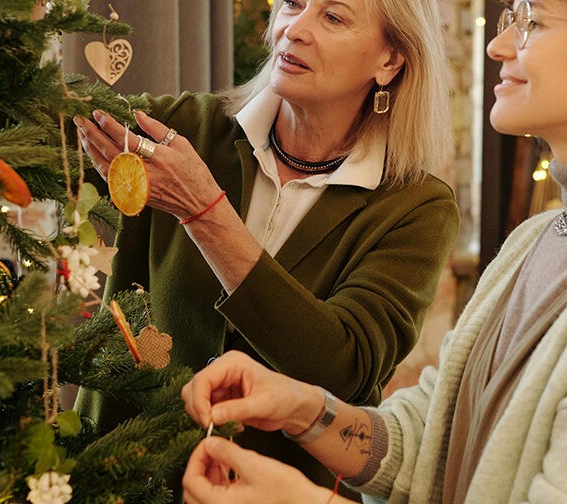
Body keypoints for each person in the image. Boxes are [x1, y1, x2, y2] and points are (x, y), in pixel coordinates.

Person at [179, 0, 567, 502]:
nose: (499, 45)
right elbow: (435, 441)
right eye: (511, 18)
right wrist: (305, 410)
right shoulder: (542, 238)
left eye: (531, 22)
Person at [71, 0, 459, 494]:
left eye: (333, 17)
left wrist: (205, 213)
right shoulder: (186, 129)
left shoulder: (415, 205)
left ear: (389, 61)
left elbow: (342, 369)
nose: (295, 28)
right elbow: (44, 133)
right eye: (294, 4)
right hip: (111, 478)